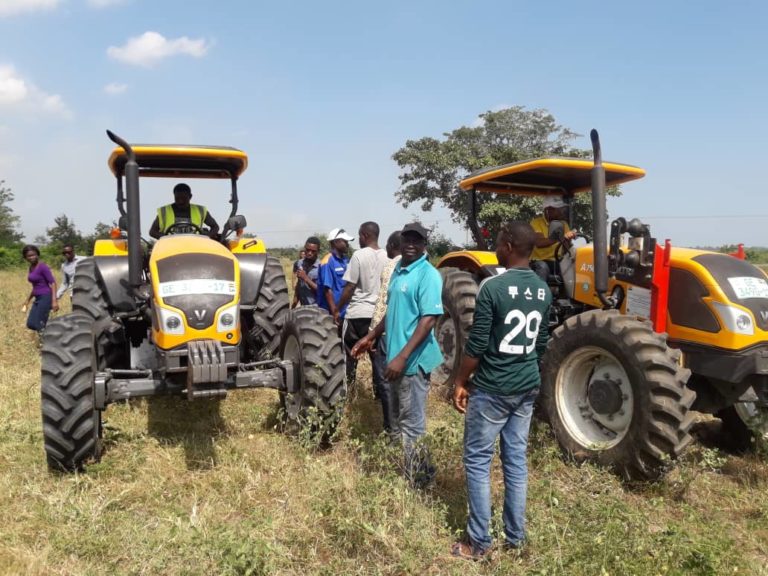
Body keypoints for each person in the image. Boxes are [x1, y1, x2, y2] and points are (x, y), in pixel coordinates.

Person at [450, 221, 551, 560]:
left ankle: (478, 544)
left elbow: (477, 344)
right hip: (526, 387)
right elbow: (541, 344)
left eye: (497, 241)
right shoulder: (543, 289)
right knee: (515, 461)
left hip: (493, 389)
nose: (494, 246)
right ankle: (516, 538)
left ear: (508, 245)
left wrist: (461, 381)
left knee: (478, 461)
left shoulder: (493, 287)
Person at [352, 223, 443, 487]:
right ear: (401, 242)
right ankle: (419, 473)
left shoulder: (428, 274)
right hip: (394, 358)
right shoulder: (399, 270)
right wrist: (370, 336)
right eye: (407, 239)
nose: (411, 244)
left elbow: (428, 320)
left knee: (412, 424)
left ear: (426, 244)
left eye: (417, 240)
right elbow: (392, 311)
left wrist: (402, 357)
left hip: (412, 362)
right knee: (403, 420)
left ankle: (420, 482)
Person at [336, 222, 389, 390]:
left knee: (349, 355)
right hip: (378, 318)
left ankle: (348, 392)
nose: (358, 239)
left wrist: (337, 309)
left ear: (365, 235)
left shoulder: (358, 255)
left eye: (359, 235)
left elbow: (350, 287)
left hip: (356, 314)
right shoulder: (387, 257)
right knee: (377, 359)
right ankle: (379, 396)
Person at [368, 230, 402, 433]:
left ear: (391, 246)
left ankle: (391, 427)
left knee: (386, 381)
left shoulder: (391, 266)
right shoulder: (414, 267)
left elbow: (382, 304)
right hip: (405, 334)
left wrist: (372, 332)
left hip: (387, 333)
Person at [529, 195, 576, 282]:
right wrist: (560, 237)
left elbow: (566, 249)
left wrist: (568, 240)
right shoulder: (536, 223)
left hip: (558, 261)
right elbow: (539, 243)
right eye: (558, 209)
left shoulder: (563, 224)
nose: (561, 211)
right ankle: (540, 293)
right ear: (548, 210)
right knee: (542, 267)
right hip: (540, 261)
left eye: (561, 208)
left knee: (575, 266)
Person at [148, 183, 219, 239]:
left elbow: (215, 227)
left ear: (190, 196)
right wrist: (166, 238)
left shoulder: (200, 210)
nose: (180, 201)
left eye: (184, 198)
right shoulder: (164, 211)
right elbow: (152, 232)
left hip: (196, 246)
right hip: (170, 247)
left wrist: (206, 237)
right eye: (177, 198)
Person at [316, 228, 353, 330]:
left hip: (345, 311)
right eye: (345, 242)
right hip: (329, 313)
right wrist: (335, 312)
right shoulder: (327, 261)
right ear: (336, 242)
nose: (347, 244)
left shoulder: (346, 260)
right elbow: (327, 290)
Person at [22, 245, 59, 333]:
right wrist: (28, 300)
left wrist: (54, 301)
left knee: (39, 324)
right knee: (30, 324)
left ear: (38, 255)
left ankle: (46, 342)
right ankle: (52, 330)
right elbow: (35, 287)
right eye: (29, 256)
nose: (32, 257)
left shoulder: (43, 267)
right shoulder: (31, 268)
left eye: (34, 255)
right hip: (38, 298)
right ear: (25, 257)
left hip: (46, 297)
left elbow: (53, 283)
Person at [291, 238, 320, 308]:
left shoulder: (321, 267)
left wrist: (306, 278)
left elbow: (322, 291)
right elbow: (299, 286)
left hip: (317, 308)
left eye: (313, 251)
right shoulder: (299, 263)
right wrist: (293, 306)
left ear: (318, 251)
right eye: (307, 250)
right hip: (303, 307)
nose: (310, 253)